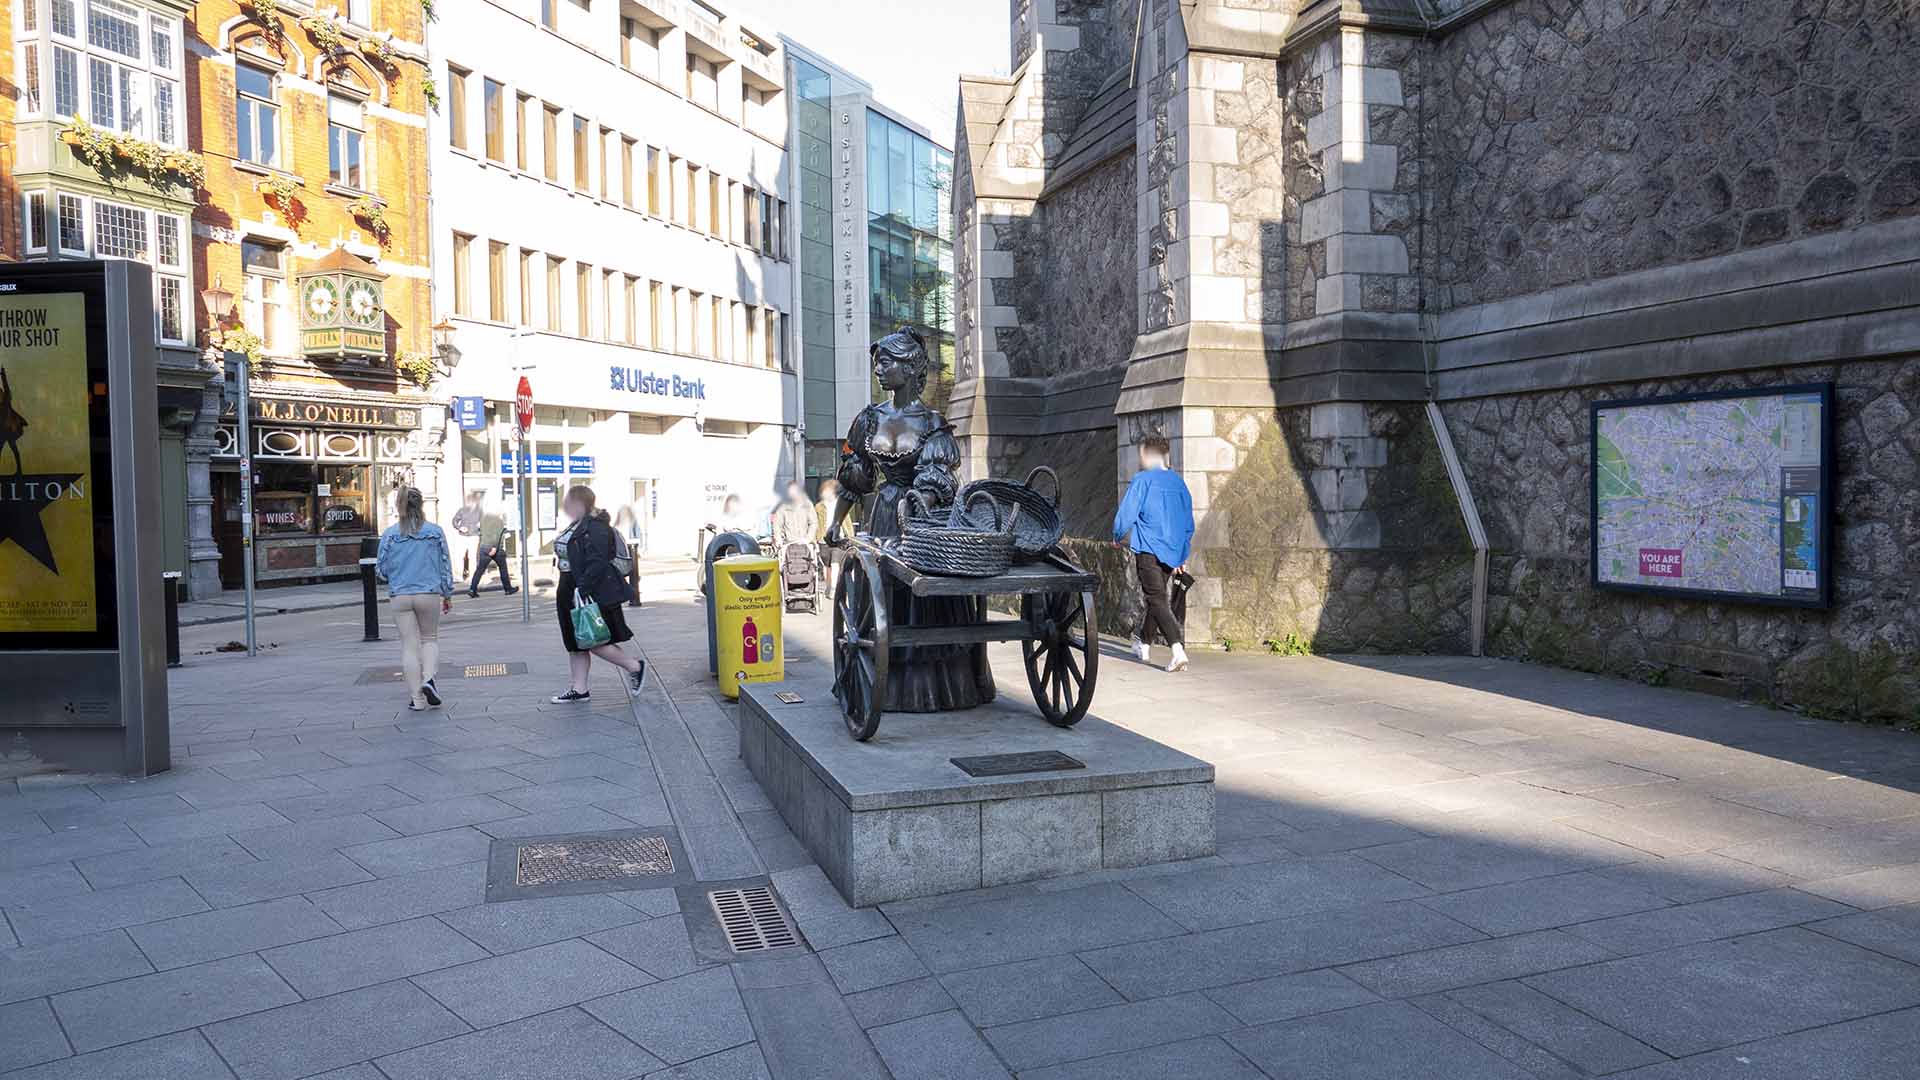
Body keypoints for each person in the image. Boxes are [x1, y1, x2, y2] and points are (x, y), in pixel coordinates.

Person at [827, 327, 994, 711]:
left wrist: (924, 497)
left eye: (886, 363)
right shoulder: (869, 420)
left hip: (922, 516)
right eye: (877, 364)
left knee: (924, 596)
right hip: (885, 514)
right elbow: (855, 476)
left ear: (909, 366)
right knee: (883, 597)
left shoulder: (933, 423)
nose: (879, 371)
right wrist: (837, 521)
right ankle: (880, 676)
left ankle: (935, 686)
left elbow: (938, 477)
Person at [551, 485, 647, 703]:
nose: (565, 507)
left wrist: (582, 589)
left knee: (595, 639)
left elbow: (598, 562)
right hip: (568, 586)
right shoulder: (575, 525)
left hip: (589, 589)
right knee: (575, 641)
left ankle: (635, 666)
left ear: (580, 503)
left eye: (569, 502)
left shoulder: (596, 527)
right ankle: (579, 689)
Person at [1113, 434, 1195, 672]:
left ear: (1148, 454)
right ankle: (1144, 643)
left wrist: (1118, 535)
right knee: (1156, 598)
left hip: (1148, 547)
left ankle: (1177, 650)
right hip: (1171, 551)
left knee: (1156, 599)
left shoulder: (1143, 480)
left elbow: (1128, 511)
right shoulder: (1179, 483)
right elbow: (1187, 522)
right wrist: (1181, 553)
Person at [375, 487, 454, 710]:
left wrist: (396, 576)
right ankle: (429, 679)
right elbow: (445, 564)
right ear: (421, 505)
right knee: (429, 638)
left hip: (400, 595)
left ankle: (417, 700)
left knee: (409, 646)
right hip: (428, 593)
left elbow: (380, 569)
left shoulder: (390, 534)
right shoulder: (435, 531)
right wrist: (447, 593)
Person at [466, 496, 517, 598]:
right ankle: (508, 589)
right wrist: (494, 547)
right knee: (503, 568)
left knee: (479, 569)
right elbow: (497, 535)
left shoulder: (483, 519)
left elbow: (480, 532)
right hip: (495, 548)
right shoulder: (499, 520)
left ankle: (472, 589)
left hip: (483, 546)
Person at [814, 477, 854, 598]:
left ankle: (834, 589)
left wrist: (851, 537)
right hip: (823, 540)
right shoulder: (819, 507)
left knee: (836, 563)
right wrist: (815, 538)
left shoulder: (842, 505)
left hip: (838, 538)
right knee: (827, 566)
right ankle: (828, 586)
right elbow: (816, 524)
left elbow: (847, 522)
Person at [772, 482, 815, 552]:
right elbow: (777, 525)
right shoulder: (782, 507)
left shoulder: (808, 505)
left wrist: (808, 538)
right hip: (789, 544)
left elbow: (813, 523)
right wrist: (778, 539)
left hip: (805, 544)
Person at [449, 491, 482, 581]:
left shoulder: (480, 511)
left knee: (472, 557)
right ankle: (459, 576)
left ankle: (472, 577)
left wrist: (480, 527)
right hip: (462, 536)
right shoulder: (462, 510)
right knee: (460, 556)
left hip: (474, 536)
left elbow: (484, 523)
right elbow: (454, 520)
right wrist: (459, 527)